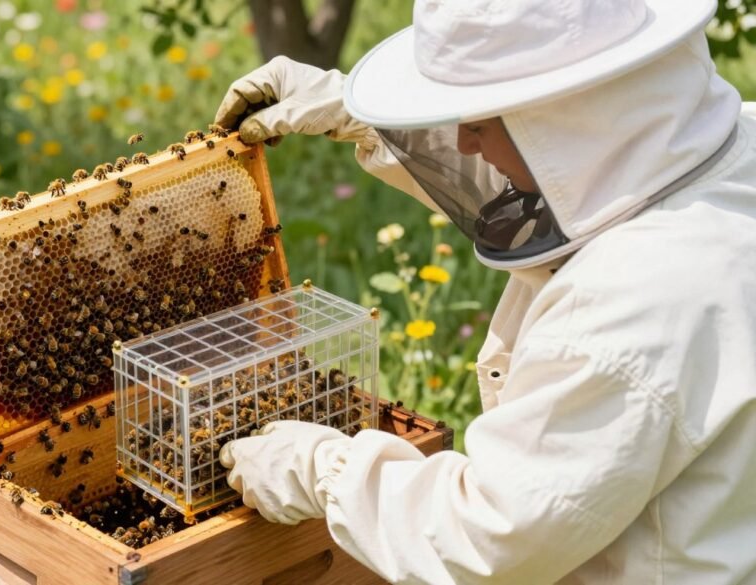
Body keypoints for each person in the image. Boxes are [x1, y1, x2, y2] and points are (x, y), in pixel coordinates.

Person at [215, 0, 756, 583]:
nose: (466, 143)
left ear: (563, 118)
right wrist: (367, 119)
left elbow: (490, 535)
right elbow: (564, 185)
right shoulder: (725, 146)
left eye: (476, 120)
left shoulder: (625, 306)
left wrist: (319, 468)